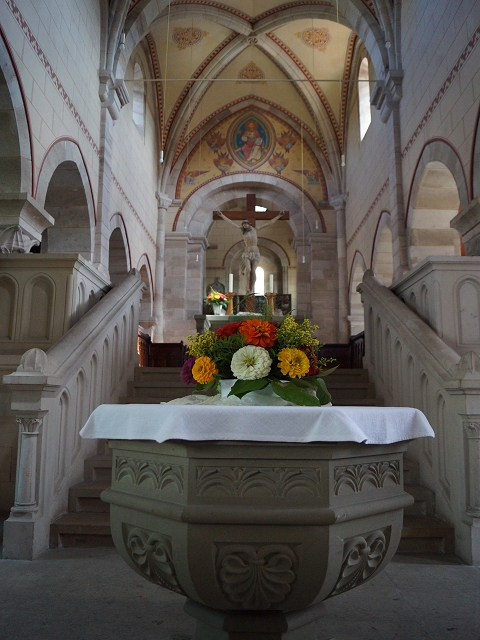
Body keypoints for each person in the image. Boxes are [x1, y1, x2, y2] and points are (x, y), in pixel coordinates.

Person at [216, 210, 284, 293]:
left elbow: (269, 223)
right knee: (248, 270)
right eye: (243, 225)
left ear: (249, 224)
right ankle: (247, 286)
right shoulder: (242, 231)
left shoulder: (255, 229)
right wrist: (222, 215)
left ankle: (252, 287)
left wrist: (279, 216)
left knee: (253, 270)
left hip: (255, 253)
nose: (244, 226)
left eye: (245, 224)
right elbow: (231, 223)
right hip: (247, 253)